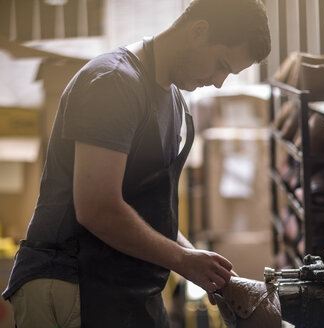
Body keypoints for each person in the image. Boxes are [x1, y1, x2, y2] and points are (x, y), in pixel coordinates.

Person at [3, 0, 271, 327]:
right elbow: (97, 208)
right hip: (68, 280)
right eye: (221, 64)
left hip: (119, 283)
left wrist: (209, 271)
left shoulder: (172, 101)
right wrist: (183, 260)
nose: (218, 82)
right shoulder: (113, 82)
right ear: (199, 31)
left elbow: (149, 215)